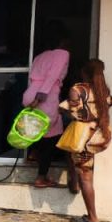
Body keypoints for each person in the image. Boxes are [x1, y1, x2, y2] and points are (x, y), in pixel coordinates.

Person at [63, 59, 112, 222]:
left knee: (85, 176)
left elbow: (73, 113)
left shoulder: (78, 89)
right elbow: (108, 105)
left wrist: (63, 107)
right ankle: (73, 183)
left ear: (84, 72)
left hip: (82, 137)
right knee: (80, 166)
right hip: (97, 136)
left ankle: (92, 217)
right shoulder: (104, 91)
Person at [22, 39, 70, 188]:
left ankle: (34, 153)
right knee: (51, 138)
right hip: (45, 97)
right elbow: (52, 76)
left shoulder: (39, 56)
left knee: (40, 130)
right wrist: (40, 97)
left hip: (31, 93)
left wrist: (32, 97)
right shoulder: (63, 53)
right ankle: (41, 177)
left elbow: (31, 78)